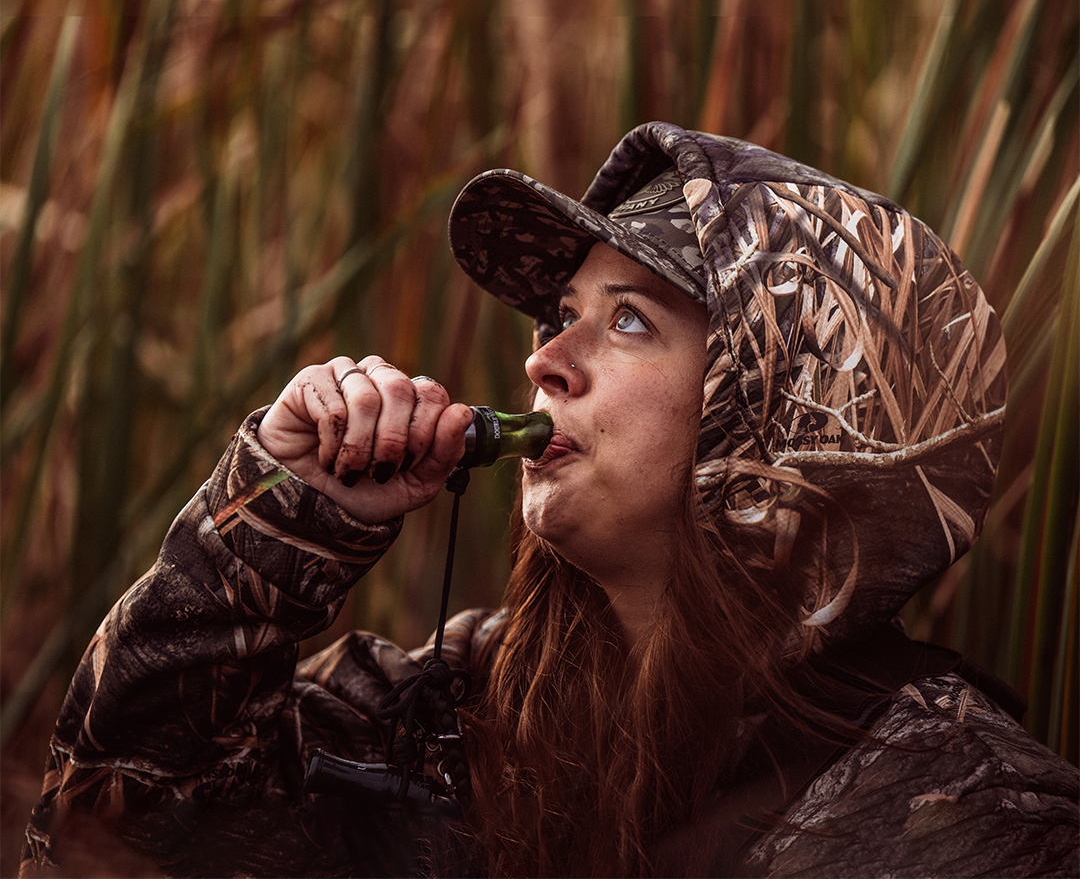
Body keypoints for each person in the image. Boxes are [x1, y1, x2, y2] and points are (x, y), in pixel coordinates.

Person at [21, 123, 1078, 878]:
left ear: (787, 416)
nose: (545, 363)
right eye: (558, 315)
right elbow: (109, 832)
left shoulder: (970, 822)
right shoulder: (458, 716)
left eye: (627, 324)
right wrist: (280, 514)